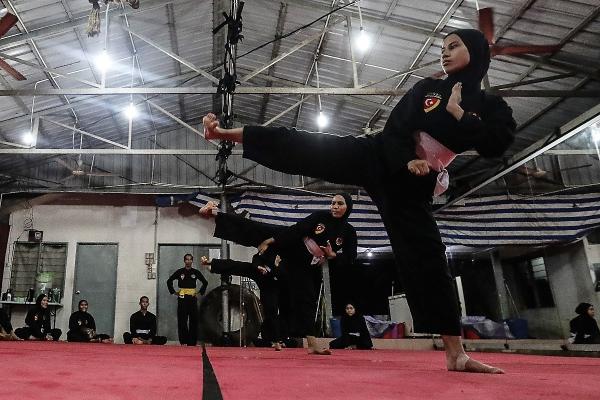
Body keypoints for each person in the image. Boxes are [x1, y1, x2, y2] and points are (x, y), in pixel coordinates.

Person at [203, 29, 516, 373]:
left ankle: (456, 354)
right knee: (309, 146)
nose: (444, 52)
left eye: (454, 46)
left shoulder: (489, 105)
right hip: (379, 155)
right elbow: (397, 128)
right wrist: (406, 158)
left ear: (476, 51)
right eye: (442, 47)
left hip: (410, 185)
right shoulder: (428, 88)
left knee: (426, 253)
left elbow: (497, 143)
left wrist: (459, 114)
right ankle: (224, 134)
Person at [200, 193, 357, 355]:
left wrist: (333, 255)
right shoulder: (320, 217)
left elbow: (351, 257)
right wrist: (270, 240)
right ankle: (213, 213)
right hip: (295, 245)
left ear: (348, 207)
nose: (335, 207)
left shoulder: (349, 232)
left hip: (306, 265)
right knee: (259, 229)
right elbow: (297, 229)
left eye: (340, 204)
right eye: (333, 203)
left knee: (308, 299)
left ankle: (311, 343)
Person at [166, 254, 208, 346]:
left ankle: (192, 342)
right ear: (184, 261)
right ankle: (184, 341)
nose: (188, 261)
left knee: (194, 320)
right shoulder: (180, 272)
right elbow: (169, 281)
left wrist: (200, 292)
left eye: (190, 259)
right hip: (182, 298)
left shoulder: (195, 272)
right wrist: (174, 292)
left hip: (192, 298)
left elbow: (205, 282)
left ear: (192, 261)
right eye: (187, 259)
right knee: (182, 320)